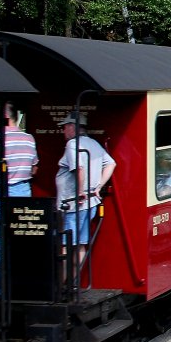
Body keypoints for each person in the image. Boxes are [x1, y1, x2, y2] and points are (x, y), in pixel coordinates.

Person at [0, 102, 39, 296]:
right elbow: (34, 168)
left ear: (5, 117)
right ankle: (21, 287)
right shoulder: (29, 138)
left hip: (0, 193)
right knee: (21, 240)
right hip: (23, 192)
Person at [55, 112, 115, 282]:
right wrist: (98, 187)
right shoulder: (93, 143)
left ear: (73, 127)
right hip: (90, 203)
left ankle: (62, 286)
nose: (63, 131)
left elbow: (79, 169)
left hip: (72, 205)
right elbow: (111, 163)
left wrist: (80, 191)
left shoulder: (72, 145)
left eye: (65, 127)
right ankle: (73, 285)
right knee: (80, 244)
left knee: (65, 245)